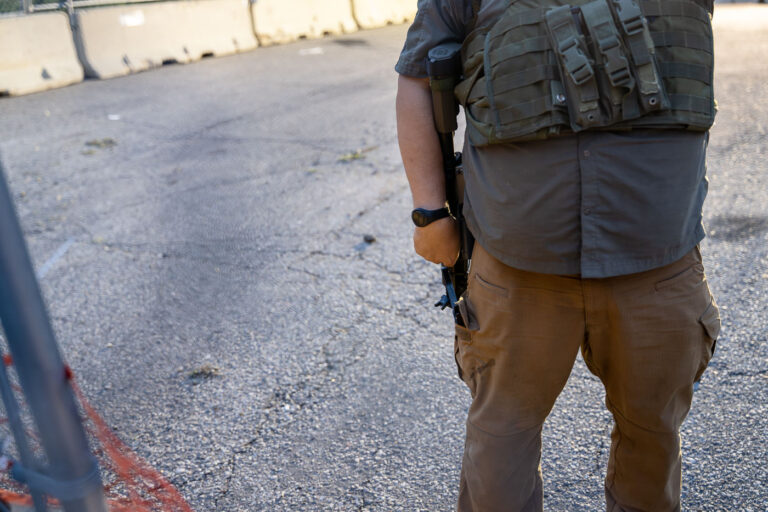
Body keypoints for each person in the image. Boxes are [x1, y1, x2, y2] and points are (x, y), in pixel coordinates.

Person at [395, 0, 721, 511]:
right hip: (517, 263)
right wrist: (430, 213)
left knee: (653, 441)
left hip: (659, 259)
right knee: (501, 445)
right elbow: (417, 77)